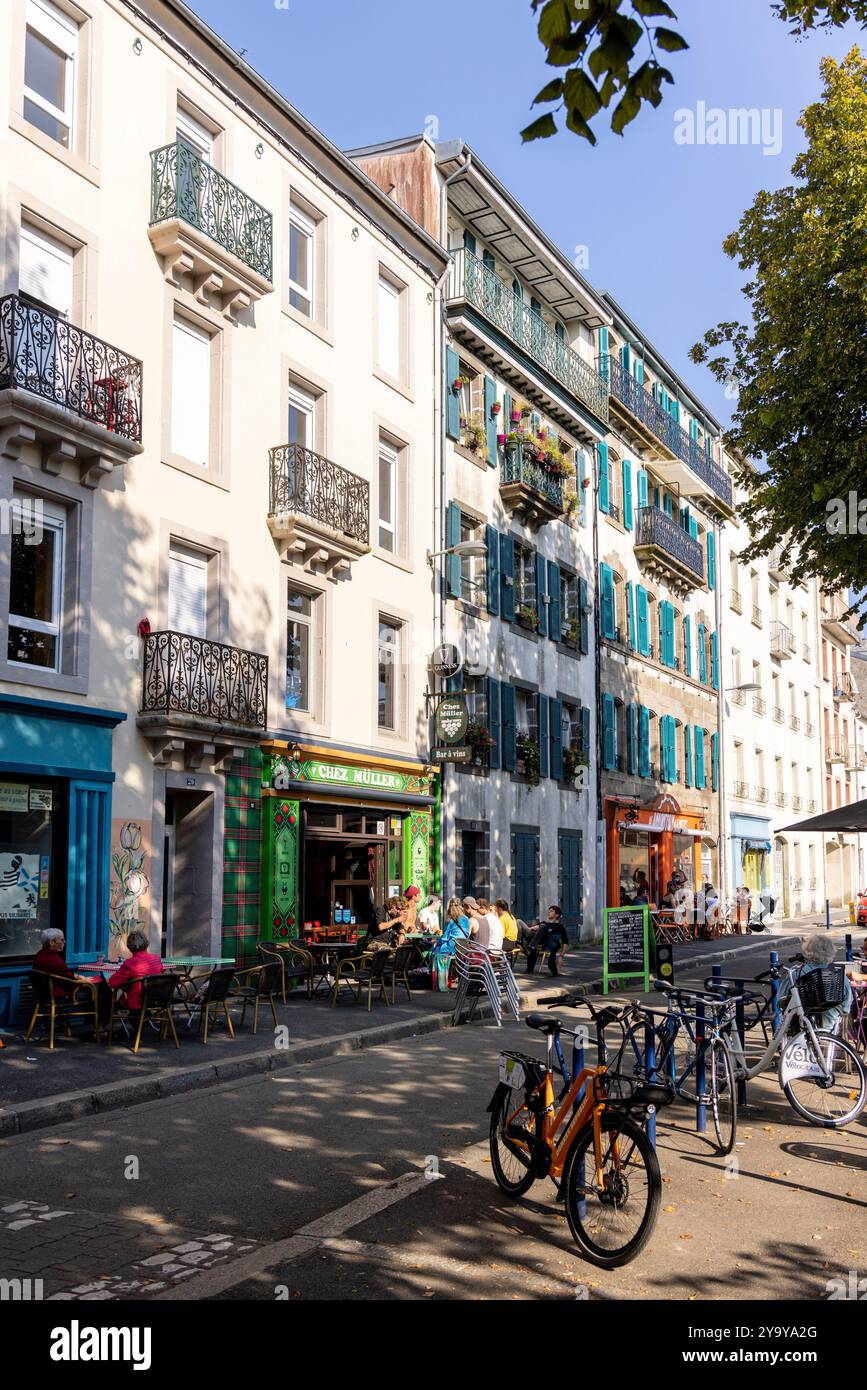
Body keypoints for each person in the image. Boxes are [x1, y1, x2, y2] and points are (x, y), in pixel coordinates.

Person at [430, 898, 471, 990]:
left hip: (451, 948)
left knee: (434, 952)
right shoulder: (466, 919)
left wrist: (436, 941)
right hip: (462, 947)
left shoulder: (452, 921)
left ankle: (439, 982)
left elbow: (445, 938)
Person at [527, 905, 569, 976]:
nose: (549, 913)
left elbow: (566, 942)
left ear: (557, 914)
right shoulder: (544, 923)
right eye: (549, 911)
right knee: (519, 922)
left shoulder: (560, 926)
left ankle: (531, 946)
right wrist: (532, 929)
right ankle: (523, 944)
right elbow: (532, 929)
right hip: (540, 941)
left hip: (551, 943)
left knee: (542, 926)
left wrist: (561, 956)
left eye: (551, 911)